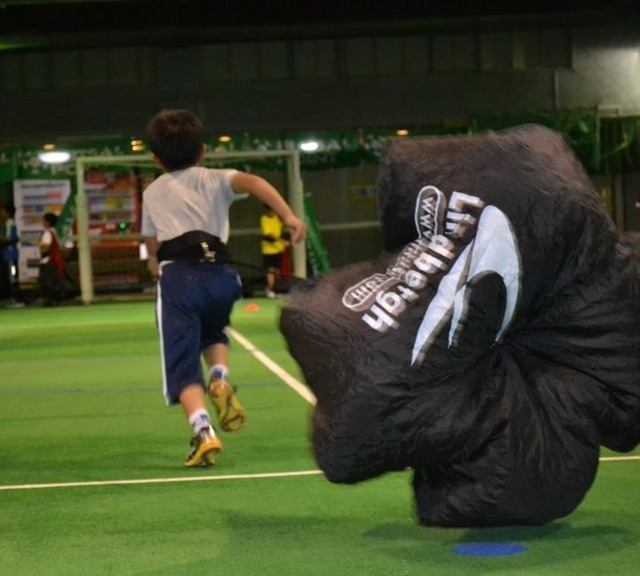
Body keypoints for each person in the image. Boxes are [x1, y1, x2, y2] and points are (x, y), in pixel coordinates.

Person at [141, 109, 306, 468]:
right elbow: (256, 183)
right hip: (223, 278)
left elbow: (152, 247)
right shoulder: (218, 178)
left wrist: (155, 267)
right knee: (214, 330)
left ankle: (203, 431)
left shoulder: (152, 192)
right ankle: (220, 377)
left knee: (182, 365)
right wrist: (289, 216)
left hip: (179, 280)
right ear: (202, 151)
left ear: (154, 158)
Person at [260, 203, 289, 298]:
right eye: (271, 210)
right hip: (269, 251)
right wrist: (282, 241)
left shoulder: (276, 218)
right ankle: (270, 290)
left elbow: (280, 227)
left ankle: (278, 290)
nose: (273, 212)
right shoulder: (264, 219)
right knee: (270, 270)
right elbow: (269, 235)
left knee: (278, 270)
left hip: (278, 250)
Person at [38, 212, 67, 306]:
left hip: (48, 260)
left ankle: (50, 300)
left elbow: (46, 246)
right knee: (54, 280)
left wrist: (39, 244)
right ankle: (56, 299)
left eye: (44, 220)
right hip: (54, 260)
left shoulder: (47, 233)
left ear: (47, 222)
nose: (42, 222)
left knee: (47, 281)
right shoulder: (55, 232)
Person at [0, 203, 25, 308]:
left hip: (11, 256)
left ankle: (16, 300)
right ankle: (10, 298)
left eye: (2, 211)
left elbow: (11, 238)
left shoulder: (10, 223)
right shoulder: (6, 223)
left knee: (12, 277)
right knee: (8, 277)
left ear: (6, 212)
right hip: (7, 256)